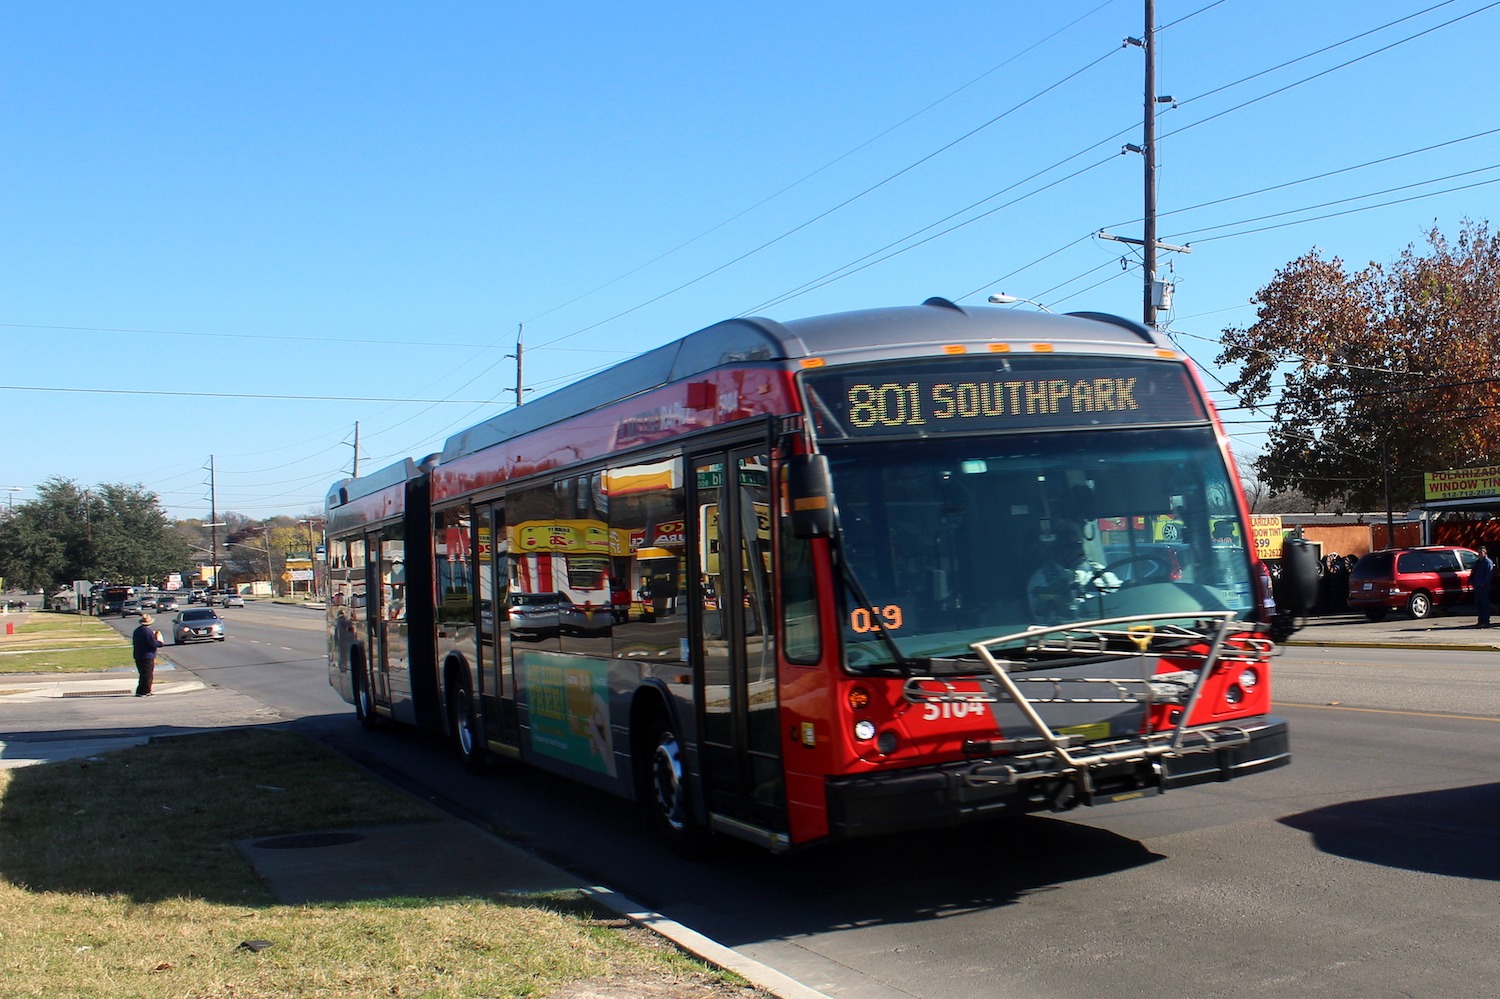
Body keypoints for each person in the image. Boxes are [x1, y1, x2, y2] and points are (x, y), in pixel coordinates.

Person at [1027, 525, 1121, 623]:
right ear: (1054, 549)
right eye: (1068, 546)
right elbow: (1042, 618)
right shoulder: (1041, 579)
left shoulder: (1100, 571)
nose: (1075, 551)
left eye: (1078, 545)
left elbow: (1120, 600)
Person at [132, 613, 164, 697]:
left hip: (138, 655)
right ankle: (145, 691)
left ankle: (140, 690)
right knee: (147, 674)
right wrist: (159, 642)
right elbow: (152, 643)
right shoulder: (147, 631)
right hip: (147, 655)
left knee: (143, 674)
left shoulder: (137, 630)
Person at [1472, 544, 1494, 629]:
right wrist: (1472, 581)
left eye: (1481, 552)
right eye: (1479, 552)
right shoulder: (1478, 562)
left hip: (1484, 587)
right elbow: (1473, 573)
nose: (1480, 554)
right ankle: (1480, 620)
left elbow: (1489, 574)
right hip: (1477, 586)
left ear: (1485, 553)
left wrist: (1483, 583)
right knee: (1479, 604)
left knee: (1485, 604)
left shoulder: (1488, 562)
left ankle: (1485, 621)